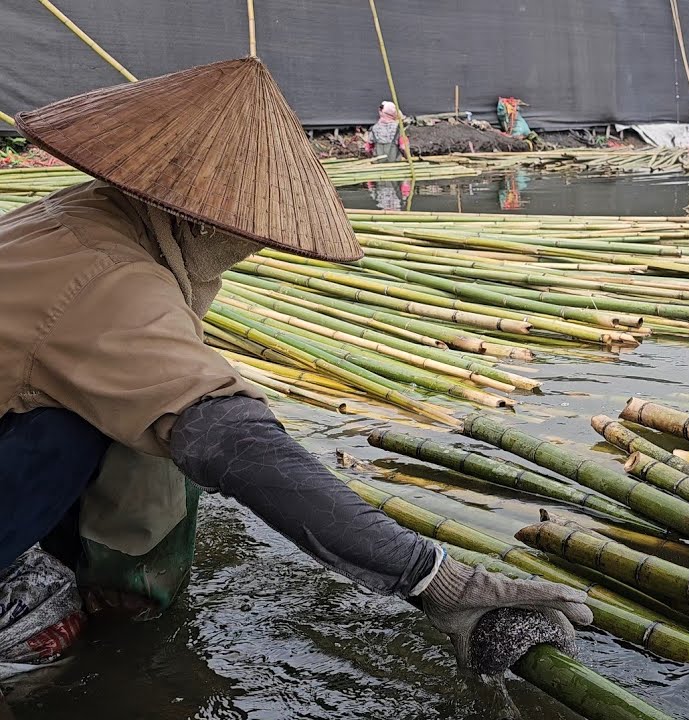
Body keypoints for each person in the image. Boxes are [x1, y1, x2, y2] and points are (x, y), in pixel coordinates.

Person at [0, 58, 588, 676]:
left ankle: (94, 590)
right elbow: (230, 440)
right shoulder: (112, 282)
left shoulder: (81, 214)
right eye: (246, 232)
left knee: (133, 416)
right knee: (137, 424)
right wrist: (433, 577)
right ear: (202, 218)